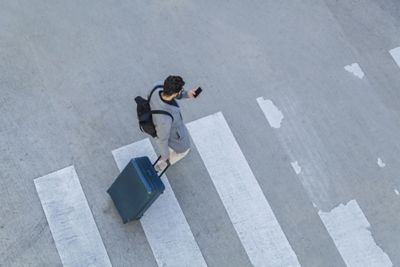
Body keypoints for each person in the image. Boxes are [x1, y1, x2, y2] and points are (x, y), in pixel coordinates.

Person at [149, 75, 199, 172]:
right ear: (175, 93)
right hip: (172, 132)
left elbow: (175, 94)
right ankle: (160, 166)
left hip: (156, 116)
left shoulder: (157, 86)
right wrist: (165, 155)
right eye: (181, 90)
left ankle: (160, 165)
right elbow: (162, 139)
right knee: (184, 150)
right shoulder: (165, 120)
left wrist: (187, 94)